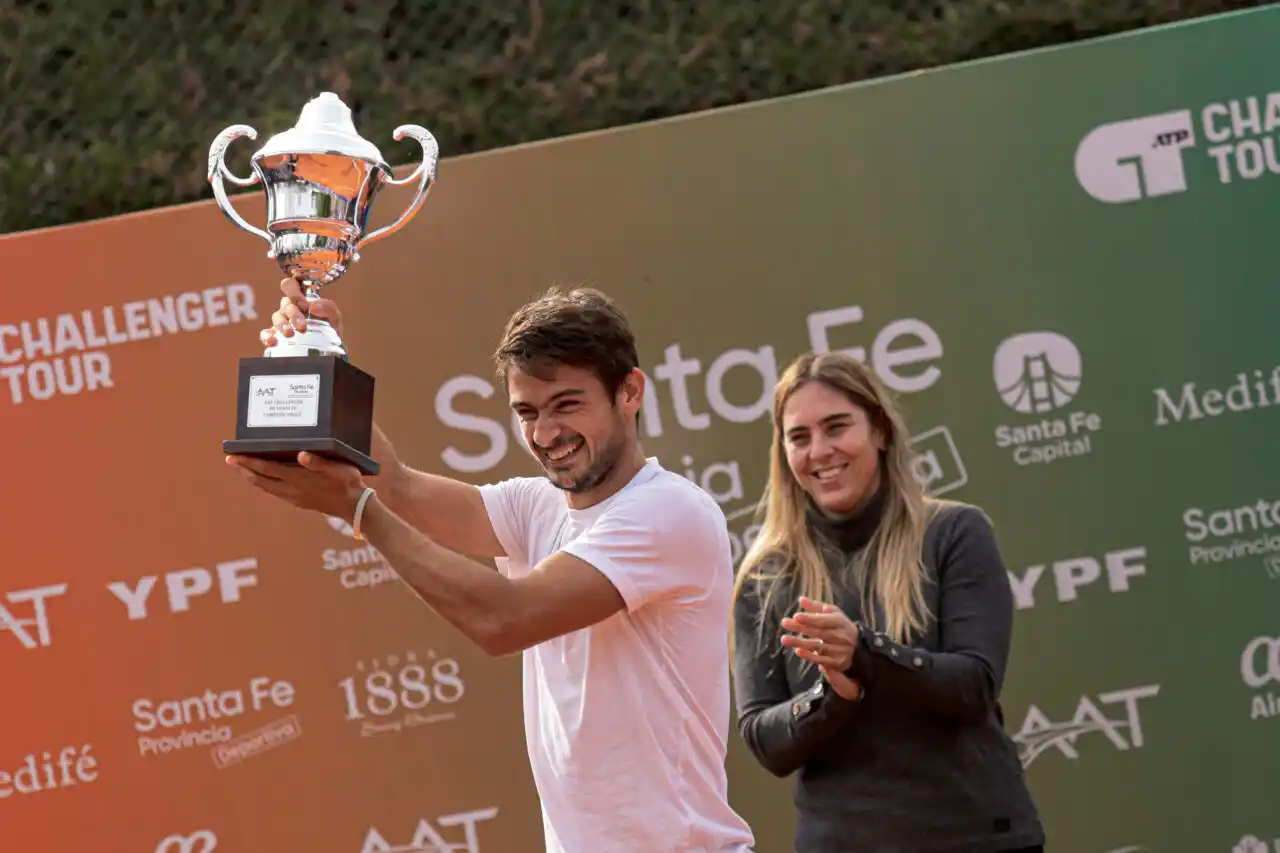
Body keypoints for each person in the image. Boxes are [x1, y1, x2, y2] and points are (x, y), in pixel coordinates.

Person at [227, 279, 756, 853]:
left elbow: (505, 619)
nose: (546, 434)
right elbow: (396, 481)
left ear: (630, 392)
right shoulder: (535, 505)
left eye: (566, 405)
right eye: (527, 412)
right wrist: (320, 361)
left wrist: (359, 511)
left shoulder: (669, 511)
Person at [731, 352, 1045, 853]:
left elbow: (974, 685)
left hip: (974, 837)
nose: (820, 451)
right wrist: (835, 692)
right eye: (800, 437)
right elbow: (765, 741)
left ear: (879, 431)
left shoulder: (955, 533)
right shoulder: (764, 575)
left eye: (837, 427)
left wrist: (864, 654)